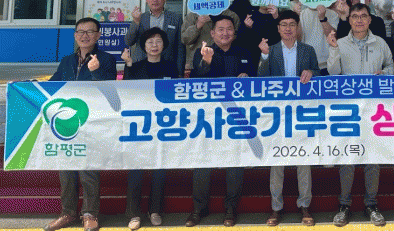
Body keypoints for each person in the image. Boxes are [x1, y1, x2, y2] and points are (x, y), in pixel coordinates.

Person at [45, 17, 117, 231]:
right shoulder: (67, 60)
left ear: (98, 35)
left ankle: (90, 214)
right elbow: (53, 85)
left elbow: (110, 90)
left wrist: (96, 71)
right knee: (66, 169)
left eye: (90, 31)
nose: (85, 35)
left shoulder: (107, 59)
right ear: (75, 35)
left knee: (88, 170)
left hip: (92, 120)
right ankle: (68, 213)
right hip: (67, 122)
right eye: (81, 32)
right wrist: (29, 88)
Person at [327, 3, 394, 227]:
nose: (358, 20)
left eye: (363, 16)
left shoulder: (380, 43)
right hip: (348, 109)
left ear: (369, 20)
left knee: (372, 158)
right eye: (354, 16)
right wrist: (333, 49)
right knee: (347, 157)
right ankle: (344, 205)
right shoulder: (340, 43)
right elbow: (333, 73)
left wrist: (384, 73)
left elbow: (392, 67)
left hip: (374, 109)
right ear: (349, 20)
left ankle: (371, 204)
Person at [186, 15, 253, 227]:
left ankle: (231, 207)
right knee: (202, 162)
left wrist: (248, 78)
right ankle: (199, 208)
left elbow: (257, 81)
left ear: (235, 32)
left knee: (235, 163)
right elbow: (195, 83)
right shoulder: (202, 52)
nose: (225, 33)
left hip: (236, 119)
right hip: (208, 119)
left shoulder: (244, 52)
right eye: (220, 29)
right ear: (212, 33)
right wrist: (206, 62)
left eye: (229, 29)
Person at [258, 10, 320, 227]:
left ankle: (305, 205)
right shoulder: (271, 50)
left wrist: (311, 72)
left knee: (303, 159)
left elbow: (319, 74)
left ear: (297, 27)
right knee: (277, 161)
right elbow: (261, 79)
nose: (288, 28)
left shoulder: (308, 50)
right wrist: (264, 56)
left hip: (302, 113)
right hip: (278, 114)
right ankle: (276, 208)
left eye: (292, 24)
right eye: (283, 24)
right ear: (278, 28)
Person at [121, 28, 180, 230]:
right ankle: (134, 213)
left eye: (158, 41)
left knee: (159, 169)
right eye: (150, 42)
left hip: (162, 125)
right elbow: (127, 92)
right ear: (144, 46)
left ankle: (155, 210)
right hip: (139, 125)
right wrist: (128, 65)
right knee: (136, 170)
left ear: (164, 45)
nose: (154, 45)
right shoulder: (135, 66)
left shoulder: (171, 67)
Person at [125, 0, 185, 75]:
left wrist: (180, 72)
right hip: (141, 66)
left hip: (167, 67)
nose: (155, 0)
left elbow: (180, 47)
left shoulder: (175, 18)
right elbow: (129, 41)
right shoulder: (140, 17)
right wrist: (136, 22)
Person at [181, 0, 240, 70]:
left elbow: (236, 39)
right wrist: (197, 26)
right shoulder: (194, 15)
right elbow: (185, 39)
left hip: (226, 62)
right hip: (198, 62)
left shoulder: (231, 15)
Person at [299, 1, 339, 75]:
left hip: (327, 64)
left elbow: (332, 36)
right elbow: (297, 39)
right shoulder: (302, 14)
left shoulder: (332, 14)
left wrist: (322, 18)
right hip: (307, 65)